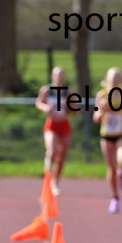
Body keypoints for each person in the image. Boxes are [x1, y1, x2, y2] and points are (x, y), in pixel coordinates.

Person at [93, 67, 122, 214]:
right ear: (107, 79)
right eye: (113, 78)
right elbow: (96, 117)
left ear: (121, 80)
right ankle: (115, 198)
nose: (115, 80)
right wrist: (101, 110)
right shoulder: (102, 95)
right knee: (111, 167)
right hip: (107, 134)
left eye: (118, 78)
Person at [35, 67, 74, 196]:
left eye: (62, 75)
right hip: (51, 125)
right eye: (57, 75)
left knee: (62, 156)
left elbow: (75, 110)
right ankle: (49, 167)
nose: (60, 78)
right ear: (53, 76)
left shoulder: (68, 92)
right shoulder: (46, 90)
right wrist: (45, 107)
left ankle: (55, 182)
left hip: (64, 125)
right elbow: (38, 103)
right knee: (53, 151)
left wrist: (68, 105)